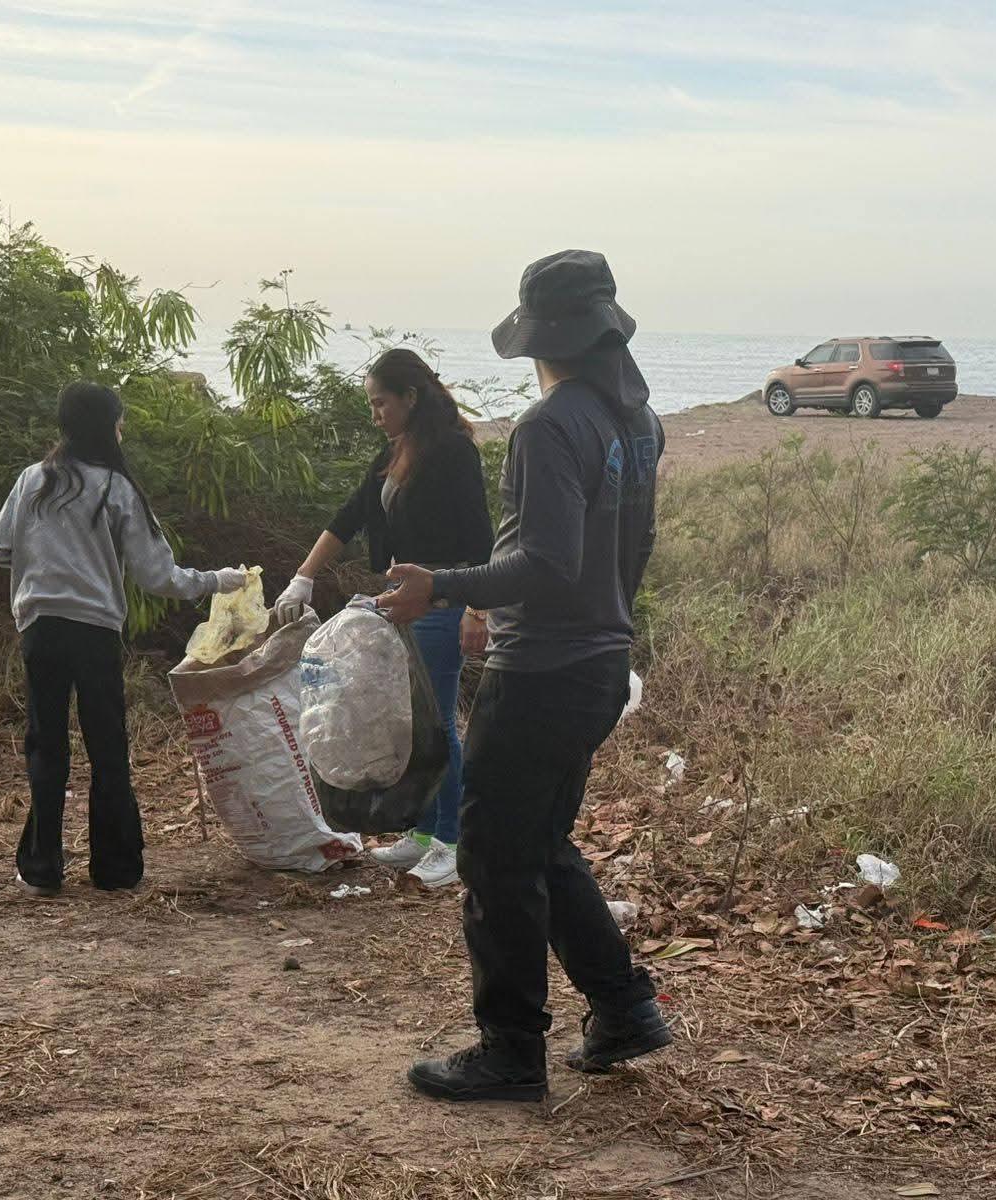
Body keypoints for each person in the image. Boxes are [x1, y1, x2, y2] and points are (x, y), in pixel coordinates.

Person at [377, 251, 670, 1101]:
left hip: (542, 671)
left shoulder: (550, 427)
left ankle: (510, 1050)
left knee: (496, 857)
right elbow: (627, 551)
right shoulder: (635, 420)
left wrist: (446, 587)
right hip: (597, 667)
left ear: (541, 337)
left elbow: (543, 561)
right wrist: (600, 622)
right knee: (537, 842)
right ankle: (622, 1007)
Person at [0, 381, 246, 896]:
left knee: (46, 743)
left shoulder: (31, 481)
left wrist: (45, 565)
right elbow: (159, 577)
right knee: (107, 746)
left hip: (39, 628)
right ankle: (116, 869)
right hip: (95, 631)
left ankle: (42, 866)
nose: (122, 429)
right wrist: (221, 579)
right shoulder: (115, 488)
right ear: (107, 426)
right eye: (119, 420)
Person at [275, 348, 494, 889]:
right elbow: (349, 516)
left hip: (441, 600)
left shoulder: (452, 453)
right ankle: (421, 830)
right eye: (370, 404)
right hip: (399, 601)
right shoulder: (395, 451)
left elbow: (481, 540)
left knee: (438, 720)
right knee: (407, 721)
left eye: (381, 403)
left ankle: (453, 840)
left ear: (410, 398)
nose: (375, 413)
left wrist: (477, 607)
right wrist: (303, 575)